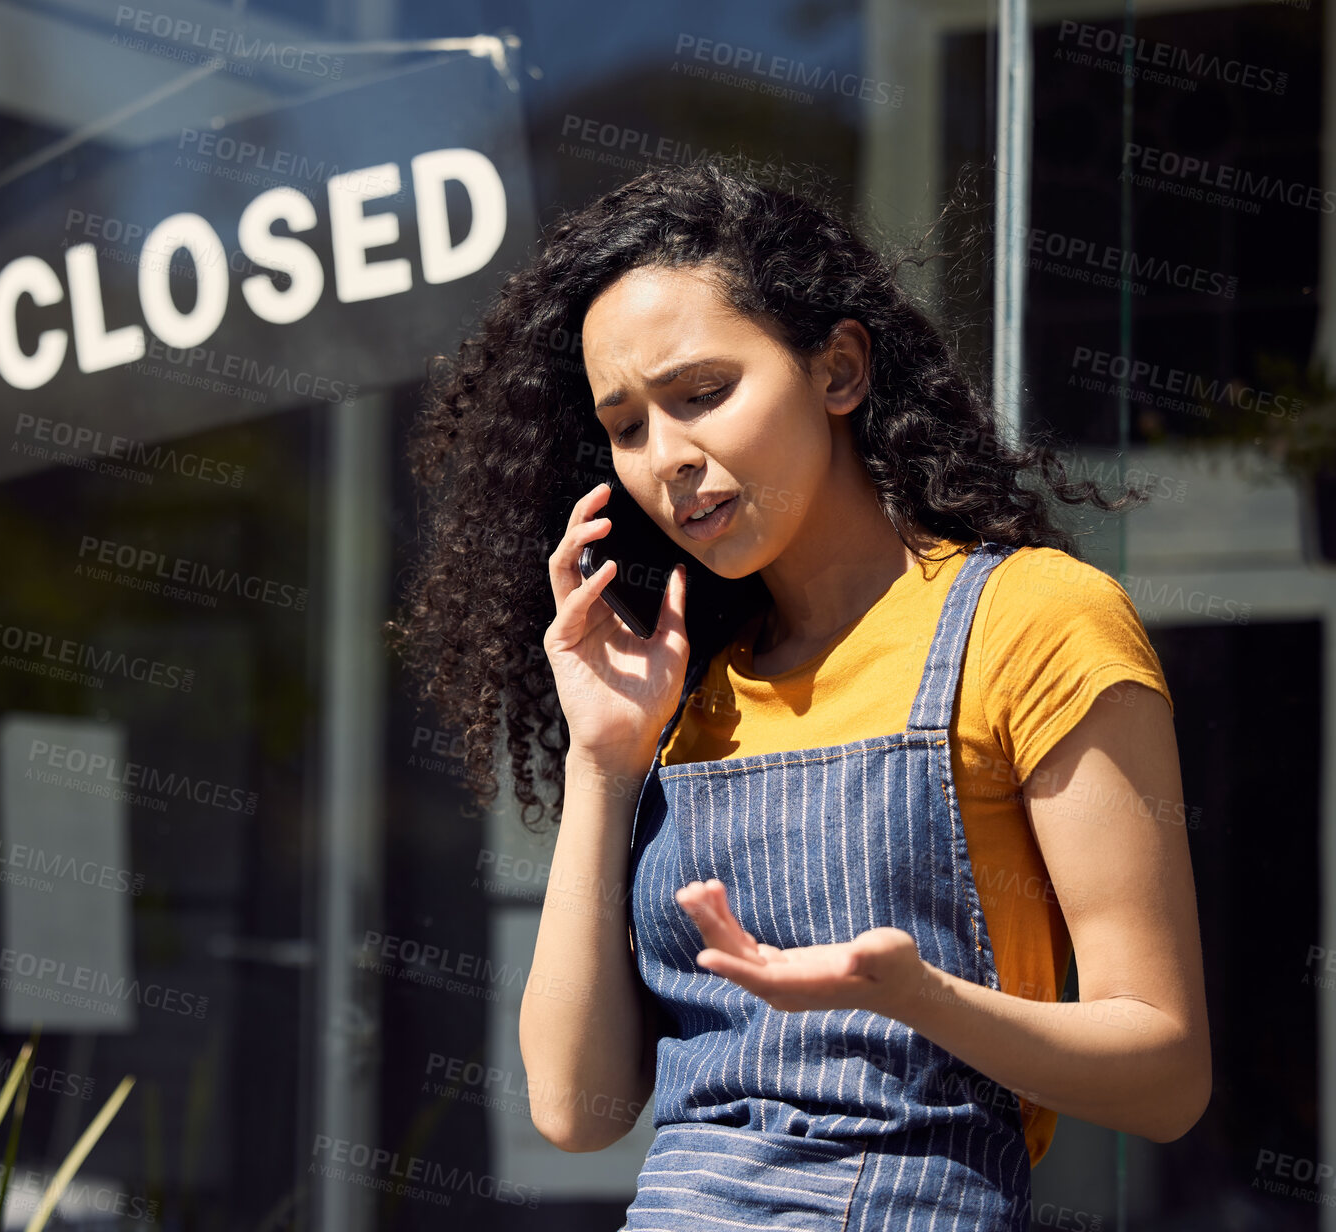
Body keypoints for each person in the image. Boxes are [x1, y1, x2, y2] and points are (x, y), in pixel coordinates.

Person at [384, 155, 1210, 1230]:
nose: (667, 457)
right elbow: (577, 1108)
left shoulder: (1033, 621)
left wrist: (920, 998)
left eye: (703, 394)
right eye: (626, 425)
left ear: (839, 370)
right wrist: (604, 760)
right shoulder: (684, 684)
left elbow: (1165, 1071)